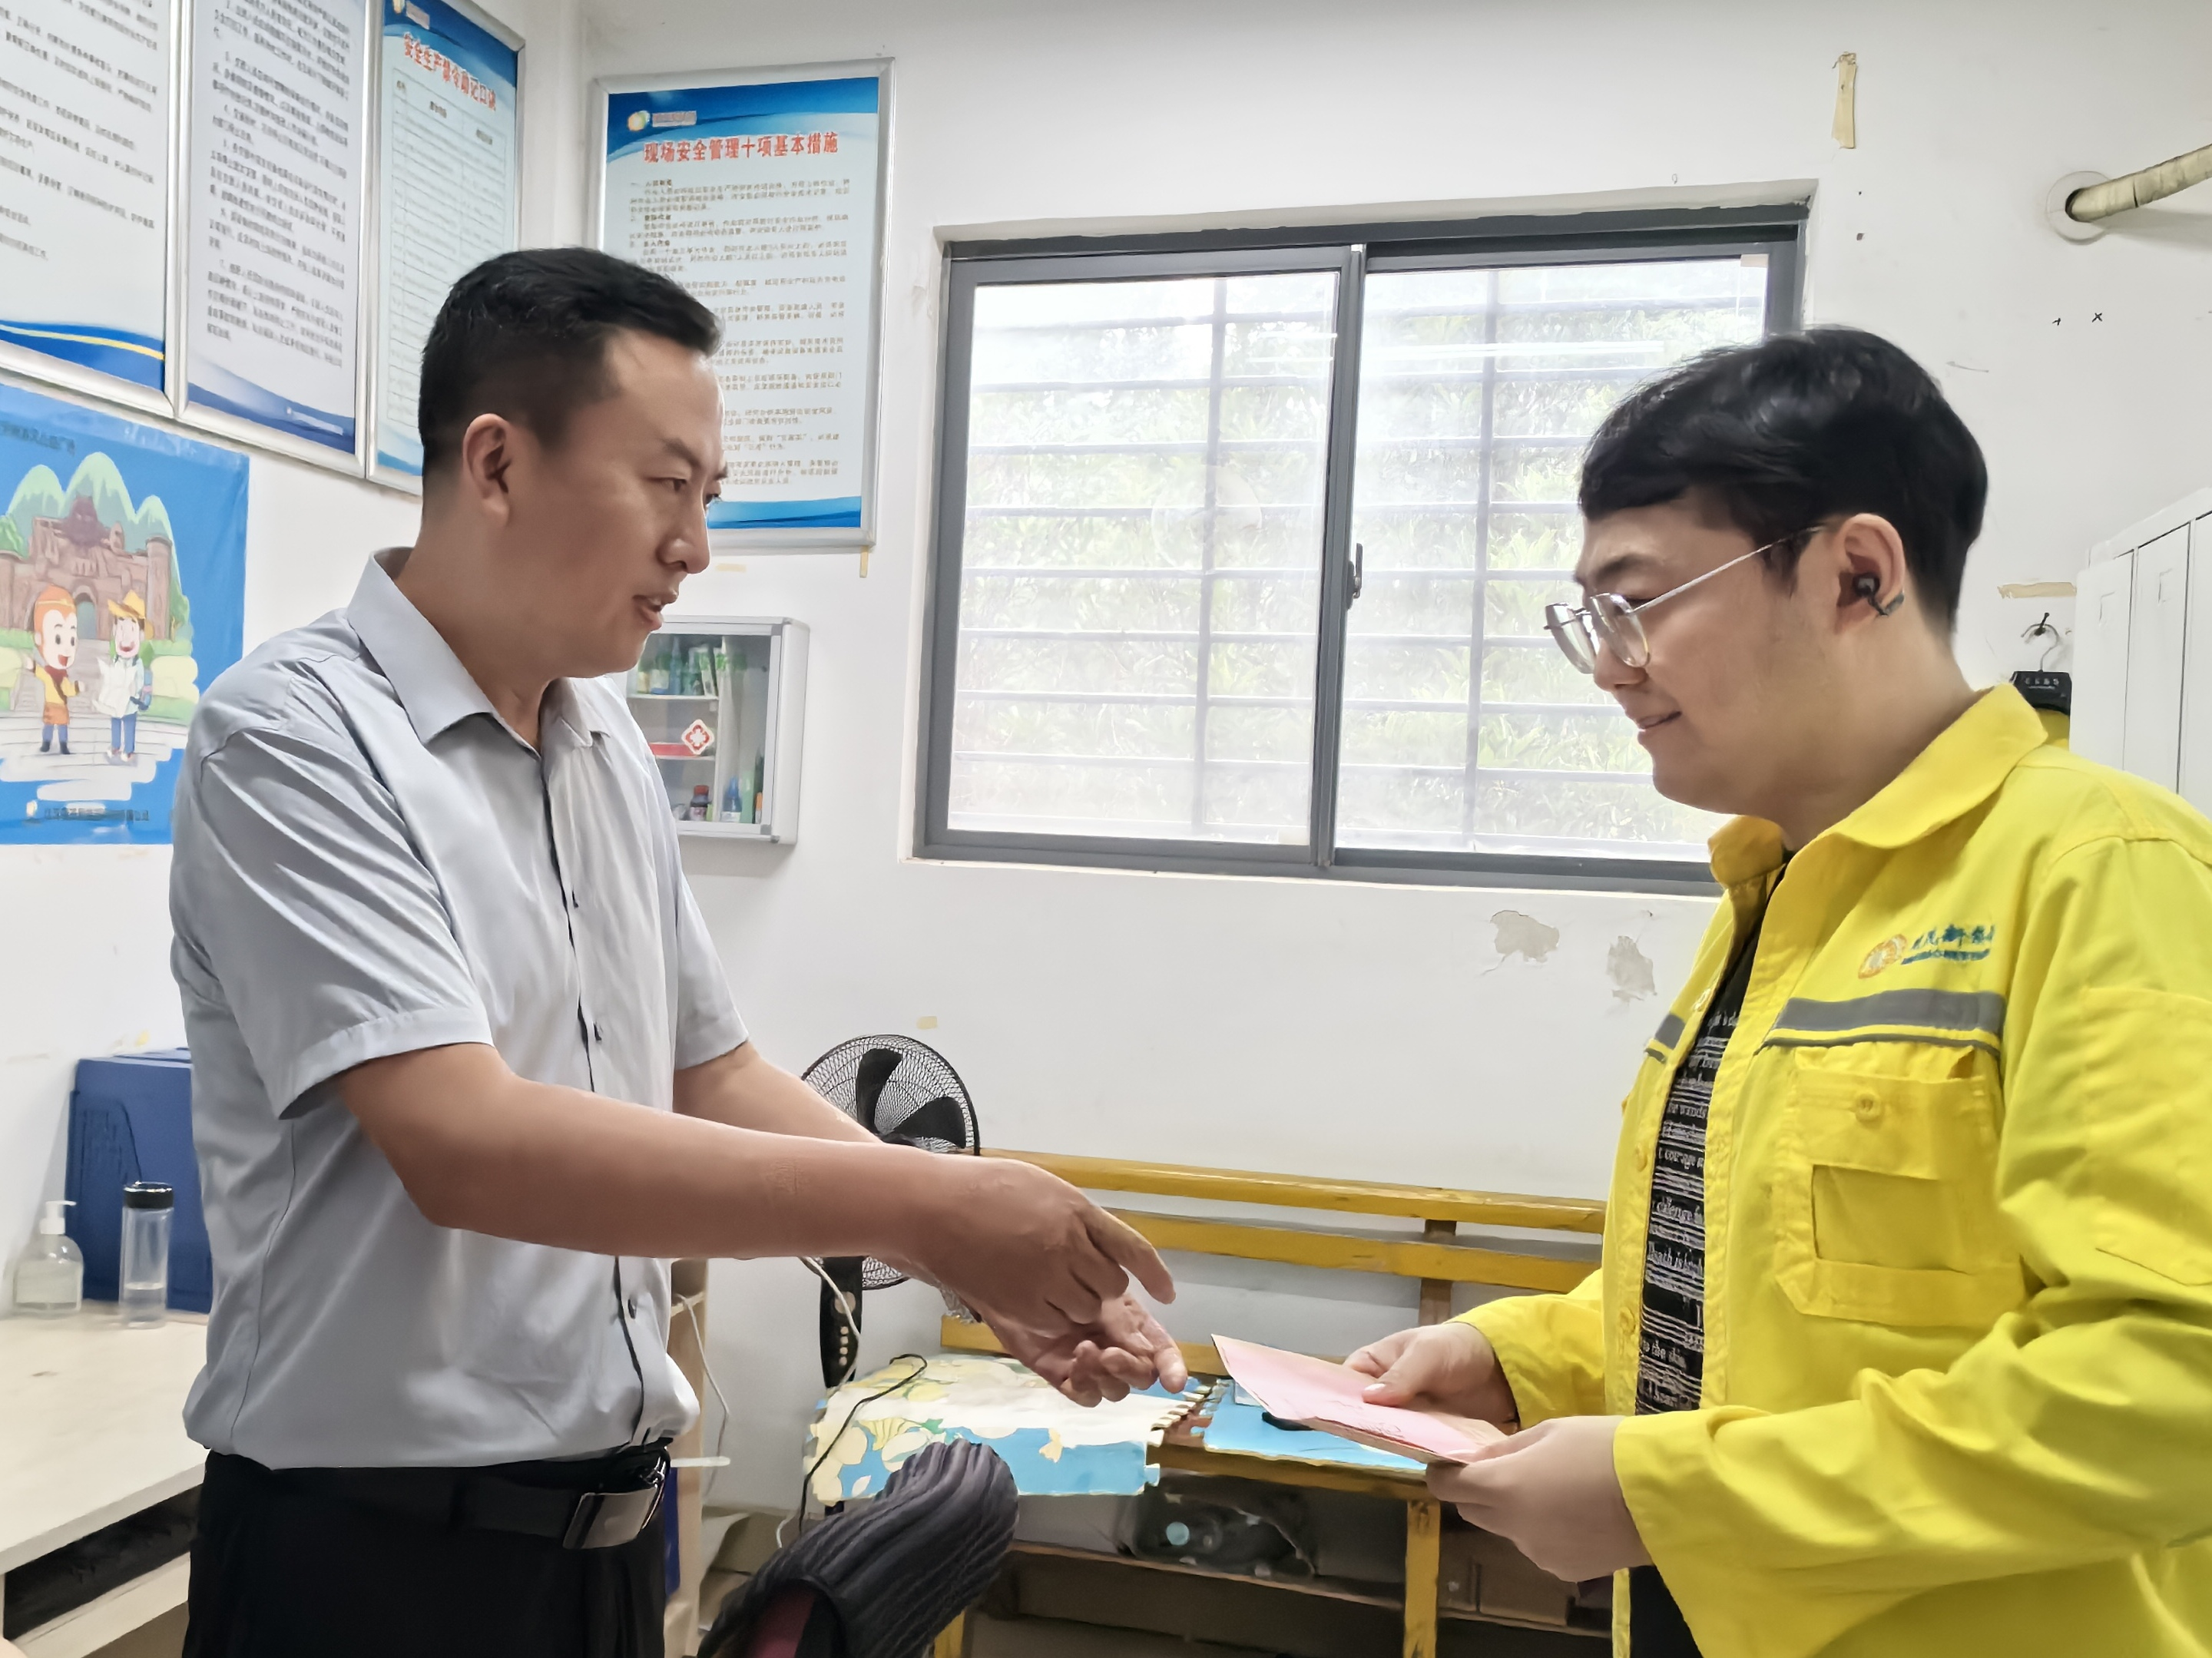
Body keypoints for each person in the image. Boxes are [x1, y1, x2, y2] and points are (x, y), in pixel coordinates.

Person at [168, 248, 1186, 1658]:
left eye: (709, 495)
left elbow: (711, 1072)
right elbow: (464, 1141)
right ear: (497, 463)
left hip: (599, 1554)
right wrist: (935, 1204)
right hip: (375, 1564)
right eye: (666, 485)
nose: (696, 546)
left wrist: (965, 1260)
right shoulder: (293, 738)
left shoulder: (601, 746)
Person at [1346, 328, 2212, 1658]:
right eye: (1592, 621)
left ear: (1857, 572)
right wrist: (1524, 1356)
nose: (1610, 665)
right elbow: (1763, 1288)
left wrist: (1678, 1494)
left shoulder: (2101, 871)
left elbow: (2175, 1381)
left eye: (1638, 603)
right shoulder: (1778, 890)